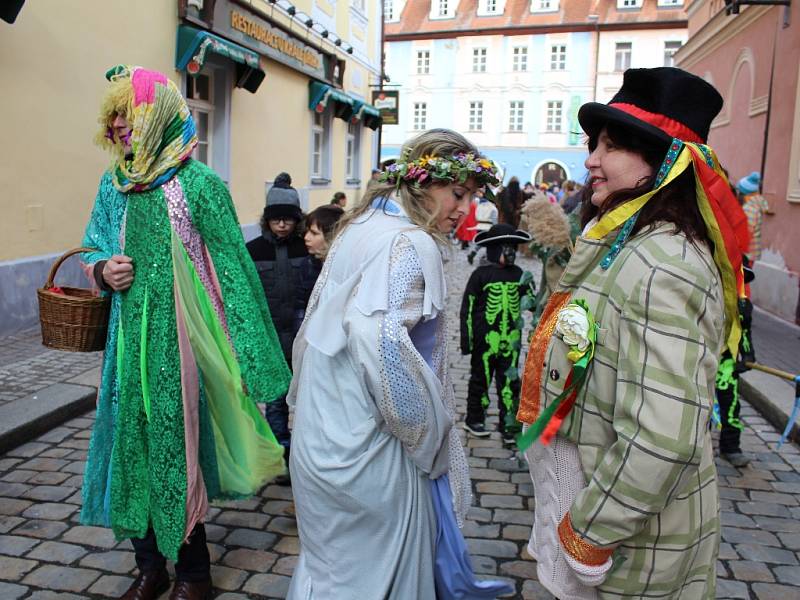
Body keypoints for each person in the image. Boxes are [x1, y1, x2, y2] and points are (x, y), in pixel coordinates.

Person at [516, 67, 749, 599]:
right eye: (593, 143)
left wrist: (588, 533)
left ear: (663, 163)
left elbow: (663, 438)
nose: (590, 160)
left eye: (611, 146)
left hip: (633, 557)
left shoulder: (665, 263)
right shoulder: (630, 240)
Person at [79, 65, 290, 600]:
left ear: (158, 116)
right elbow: (93, 243)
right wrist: (104, 269)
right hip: (127, 350)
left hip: (185, 348)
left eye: (132, 113)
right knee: (132, 452)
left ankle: (194, 574)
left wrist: (255, 359)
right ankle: (148, 568)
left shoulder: (199, 185)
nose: (121, 125)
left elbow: (236, 275)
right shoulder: (114, 184)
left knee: (180, 450)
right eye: (116, 116)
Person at [287, 129, 511, 599]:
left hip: (324, 430)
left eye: (471, 196)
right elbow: (379, 339)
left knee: (332, 572)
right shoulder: (411, 243)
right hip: (372, 445)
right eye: (458, 193)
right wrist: (425, 436)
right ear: (423, 182)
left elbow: (315, 325)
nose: (465, 209)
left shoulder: (361, 224)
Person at [246, 173, 318, 481]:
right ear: (267, 220)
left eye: (288, 220)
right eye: (276, 220)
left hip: (303, 339)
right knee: (275, 402)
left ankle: (304, 456)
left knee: (304, 402)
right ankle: (282, 455)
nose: (282, 225)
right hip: (271, 339)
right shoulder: (254, 250)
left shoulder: (308, 250)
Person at [460, 224, 532, 443]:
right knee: (480, 379)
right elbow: (468, 308)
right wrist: (467, 340)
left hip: (510, 340)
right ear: (493, 249)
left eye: (512, 247)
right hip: (485, 340)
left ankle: (508, 423)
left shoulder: (519, 274)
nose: (509, 251)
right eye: (504, 247)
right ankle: (474, 419)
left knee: (509, 382)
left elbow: (531, 302)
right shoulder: (480, 275)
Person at [737, 171, 770, 261]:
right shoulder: (757, 203)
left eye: (740, 192)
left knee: (745, 273)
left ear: (746, 194)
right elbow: (766, 208)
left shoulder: (749, 209)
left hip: (747, 253)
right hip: (752, 251)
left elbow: (747, 232)